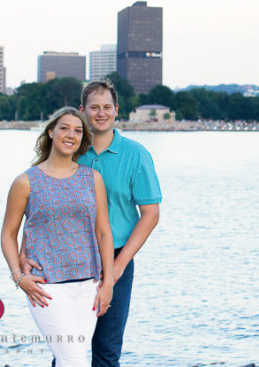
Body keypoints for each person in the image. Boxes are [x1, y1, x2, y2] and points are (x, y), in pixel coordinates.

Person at [21, 80, 162, 367]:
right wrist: (25, 252)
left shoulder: (136, 155)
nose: (101, 113)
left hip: (116, 259)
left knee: (107, 350)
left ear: (116, 110)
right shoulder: (70, 147)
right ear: (83, 110)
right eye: (94, 107)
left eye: (107, 107)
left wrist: (118, 267)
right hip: (66, 261)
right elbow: (37, 205)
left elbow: (151, 214)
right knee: (66, 349)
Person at [2, 107, 115, 367]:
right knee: (74, 360)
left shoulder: (92, 178)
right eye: (64, 128)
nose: (70, 135)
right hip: (47, 287)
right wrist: (18, 277)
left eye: (77, 131)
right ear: (51, 132)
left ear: (82, 140)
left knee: (73, 360)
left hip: (88, 285)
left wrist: (107, 282)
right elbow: (8, 234)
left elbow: (103, 232)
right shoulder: (26, 181)